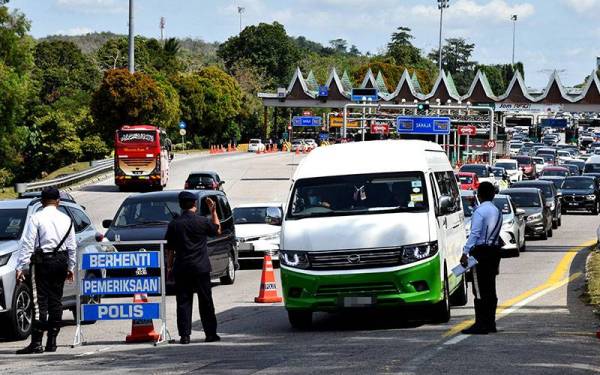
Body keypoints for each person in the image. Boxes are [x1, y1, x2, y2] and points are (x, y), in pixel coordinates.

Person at [15, 187, 76, 354]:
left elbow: (28, 243)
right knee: (56, 301)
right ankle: (52, 341)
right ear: (58, 201)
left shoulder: (37, 217)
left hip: (42, 262)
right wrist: (71, 267)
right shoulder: (67, 219)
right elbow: (72, 246)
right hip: (61, 261)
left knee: (39, 302)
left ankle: (36, 343)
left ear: (42, 201)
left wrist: (21, 266)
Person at [166, 191, 221, 344]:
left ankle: (185, 335)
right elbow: (217, 230)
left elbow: (170, 250)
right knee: (206, 301)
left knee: (183, 302)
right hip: (201, 267)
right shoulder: (202, 221)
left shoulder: (174, 224)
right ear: (194, 204)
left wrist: (169, 267)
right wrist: (213, 211)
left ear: (181, 205)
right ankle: (210, 334)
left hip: (182, 268)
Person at [461, 181, 503, 335]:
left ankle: (481, 323)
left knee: (478, 289)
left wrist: (465, 252)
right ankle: (490, 323)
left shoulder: (479, 211)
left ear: (479, 194)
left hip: (480, 252)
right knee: (490, 288)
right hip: (494, 252)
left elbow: (475, 233)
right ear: (493, 195)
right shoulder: (497, 211)